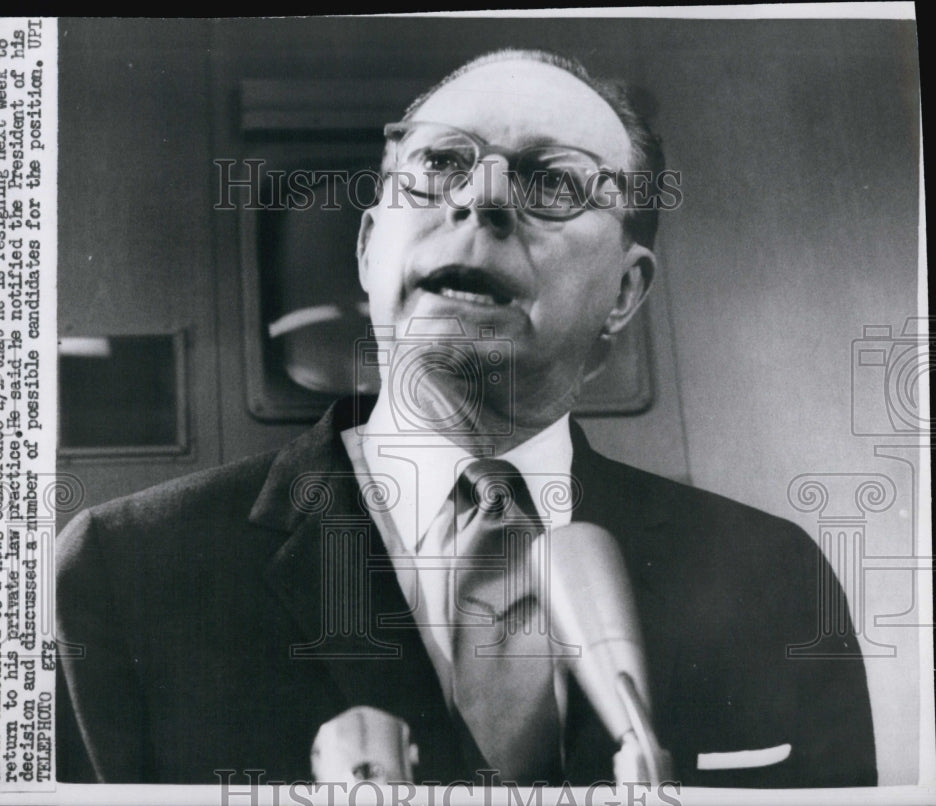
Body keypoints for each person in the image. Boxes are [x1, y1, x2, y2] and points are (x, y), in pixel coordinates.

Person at [56, 49, 876, 788]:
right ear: (371, 248)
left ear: (625, 291)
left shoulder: (775, 577)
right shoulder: (127, 571)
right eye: (441, 164)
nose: (482, 200)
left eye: (551, 181)